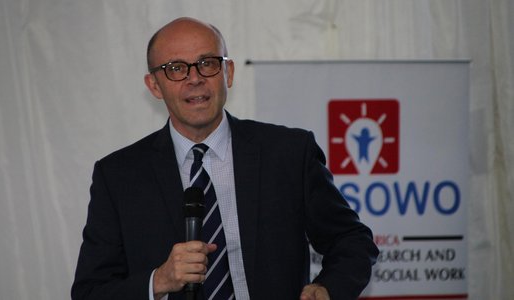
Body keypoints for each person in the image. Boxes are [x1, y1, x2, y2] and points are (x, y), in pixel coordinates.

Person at [71, 17, 379, 300]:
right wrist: (158, 280)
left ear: (228, 73)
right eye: (176, 68)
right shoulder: (118, 176)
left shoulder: (288, 153)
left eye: (207, 63)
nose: (194, 78)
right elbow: (90, 292)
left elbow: (352, 241)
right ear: (154, 85)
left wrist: (327, 289)